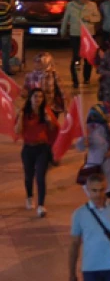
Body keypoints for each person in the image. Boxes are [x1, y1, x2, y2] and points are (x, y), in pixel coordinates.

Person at [17, 87, 58, 217]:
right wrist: (20, 117)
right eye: (35, 96)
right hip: (28, 149)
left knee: (40, 176)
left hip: (42, 149)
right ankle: (29, 196)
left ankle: (41, 205)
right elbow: (17, 131)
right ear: (30, 98)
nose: (38, 99)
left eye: (40, 97)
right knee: (29, 176)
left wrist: (49, 120)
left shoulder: (46, 112)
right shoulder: (24, 112)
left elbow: (53, 129)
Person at [60, 0, 102, 87]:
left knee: (88, 58)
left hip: (88, 35)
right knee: (76, 57)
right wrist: (63, 31)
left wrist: (90, 18)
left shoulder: (92, 5)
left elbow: (98, 17)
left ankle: (86, 79)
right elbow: (66, 18)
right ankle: (75, 80)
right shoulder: (70, 5)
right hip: (75, 34)